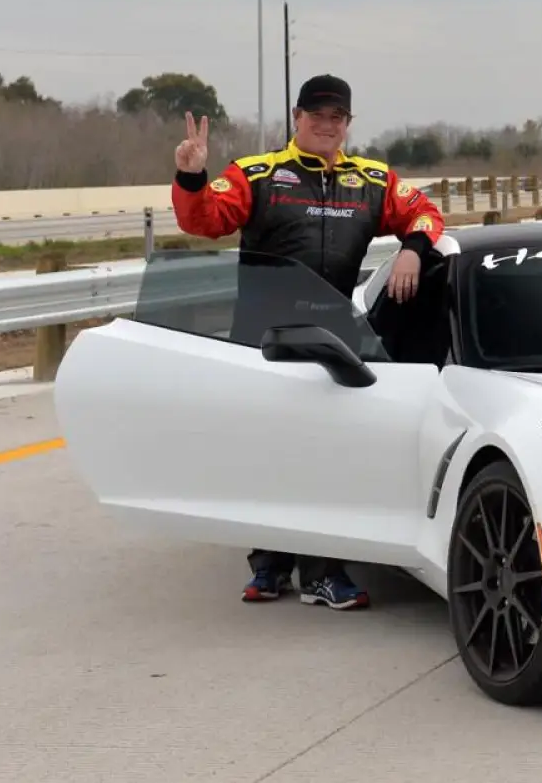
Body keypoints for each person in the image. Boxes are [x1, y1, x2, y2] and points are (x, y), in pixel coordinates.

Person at [170, 74, 445, 610]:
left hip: (332, 336)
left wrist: (413, 248)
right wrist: (191, 175)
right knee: (267, 452)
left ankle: (323, 570)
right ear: (296, 117)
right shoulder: (256, 173)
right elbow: (204, 221)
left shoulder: (374, 179)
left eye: (336, 116)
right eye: (316, 114)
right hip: (263, 336)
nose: (326, 124)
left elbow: (427, 214)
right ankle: (269, 563)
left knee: (330, 452)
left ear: (348, 123)